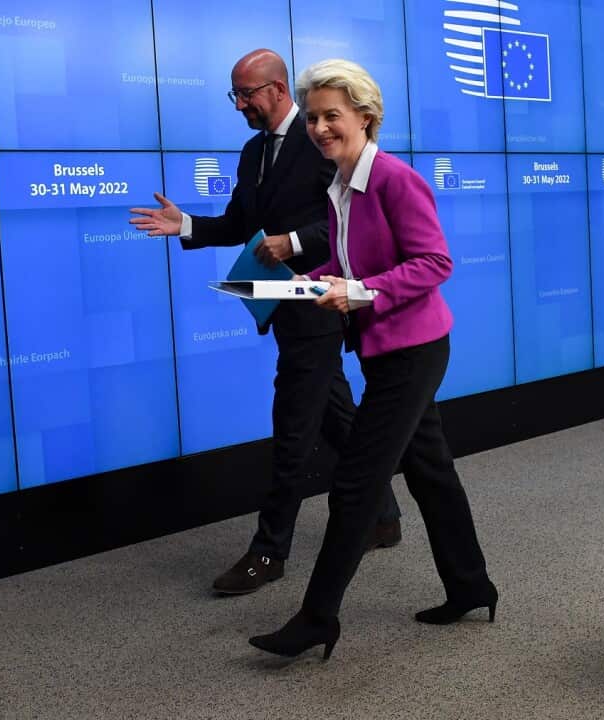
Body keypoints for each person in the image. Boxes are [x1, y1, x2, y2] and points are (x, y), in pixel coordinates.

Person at [248, 59, 498, 659]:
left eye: (332, 115)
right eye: (312, 117)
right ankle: (471, 585)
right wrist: (303, 284)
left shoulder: (392, 179)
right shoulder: (339, 186)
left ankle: (317, 618)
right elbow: (350, 265)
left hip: (413, 349)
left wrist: (358, 291)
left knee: (357, 481)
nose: (319, 127)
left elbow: (435, 263)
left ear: (366, 116)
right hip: (384, 348)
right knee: (430, 469)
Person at [130, 49, 402, 595]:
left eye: (247, 94)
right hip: (284, 308)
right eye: (234, 95)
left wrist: (295, 242)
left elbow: (350, 224)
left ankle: (268, 552)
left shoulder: (322, 141)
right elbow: (240, 224)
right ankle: (383, 516)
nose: (239, 105)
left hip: (320, 305)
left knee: (292, 431)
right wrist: (186, 223)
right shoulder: (254, 151)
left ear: (277, 89)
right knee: (337, 417)